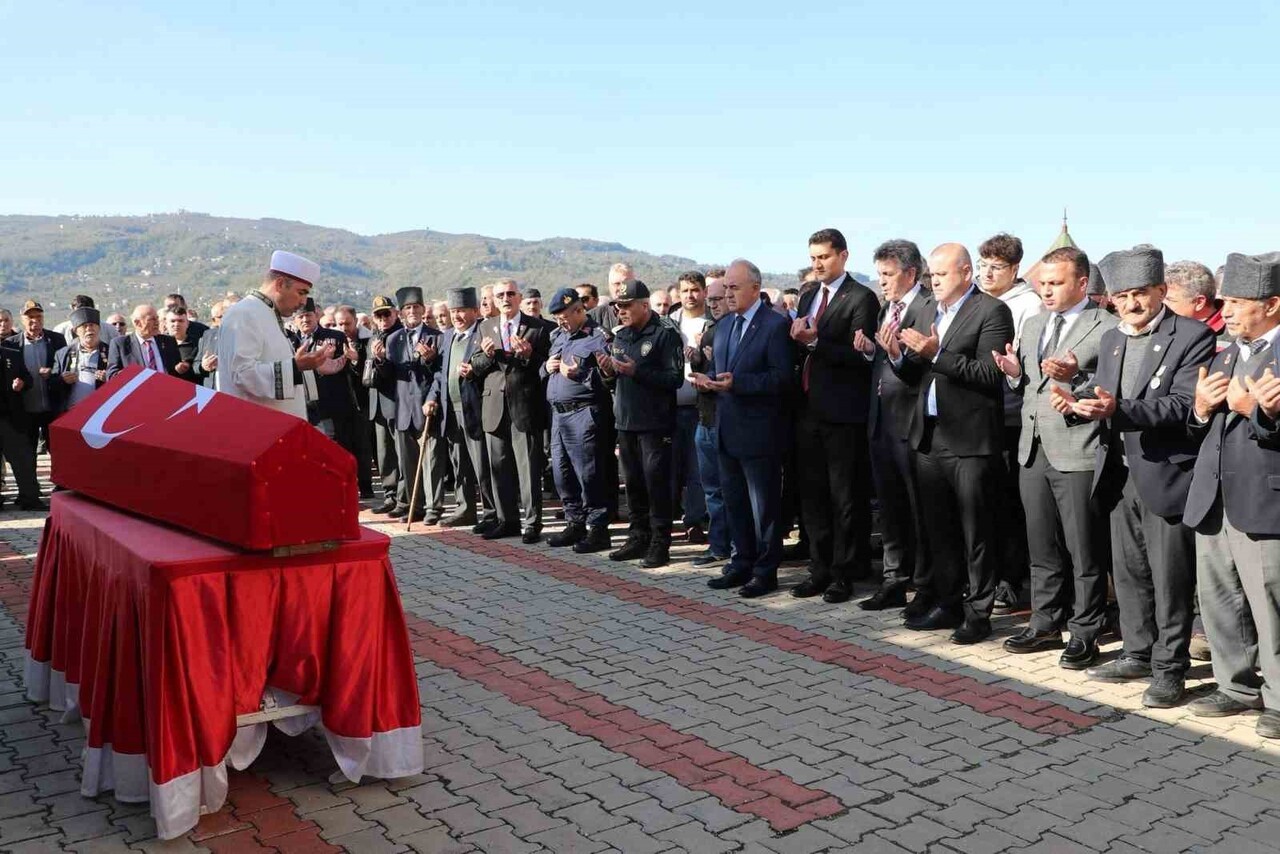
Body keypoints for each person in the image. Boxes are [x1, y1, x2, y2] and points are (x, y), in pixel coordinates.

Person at [1054, 245, 1215, 707]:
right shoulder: (1112, 339)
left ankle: (1170, 668)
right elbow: (1104, 394)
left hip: (1166, 474)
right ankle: (1137, 650)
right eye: (1122, 296)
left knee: (1170, 578)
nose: (1131, 304)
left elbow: (1183, 406)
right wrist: (1077, 405)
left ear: (1161, 291)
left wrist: (1116, 408)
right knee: (1128, 572)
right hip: (1118, 471)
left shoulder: (1192, 335)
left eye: (1140, 294)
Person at [994, 246, 1114, 671]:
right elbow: (1029, 384)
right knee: (1041, 545)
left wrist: (1076, 379)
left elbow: (1110, 385)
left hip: (1077, 449)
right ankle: (1044, 622)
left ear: (1082, 283)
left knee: (1084, 549)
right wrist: (1013, 374)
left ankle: (1086, 631)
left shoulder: (1108, 326)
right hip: (1034, 447)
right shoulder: (1035, 323)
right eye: (1042, 282)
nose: (1046, 290)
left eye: (1056, 282)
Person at [890, 243, 1015, 644]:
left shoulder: (992, 311)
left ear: (965, 272)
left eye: (941, 274)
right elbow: (915, 375)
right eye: (931, 274)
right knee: (938, 528)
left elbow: (987, 375)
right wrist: (898, 355)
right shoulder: (929, 311)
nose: (934, 280)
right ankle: (947, 602)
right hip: (929, 435)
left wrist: (936, 353)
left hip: (970, 440)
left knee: (975, 531)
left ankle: (979, 613)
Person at [1183, 251, 1280, 736]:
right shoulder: (1223, 352)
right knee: (1221, 599)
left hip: (1264, 499)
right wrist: (1200, 409)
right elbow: (1199, 425)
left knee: (1270, 603)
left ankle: (1279, 699)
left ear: (1272, 304)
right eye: (1226, 300)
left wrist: (1257, 413)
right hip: (1214, 498)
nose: (1230, 311)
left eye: (1239, 302)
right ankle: (1236, 686)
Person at [789, 228, 881, 604]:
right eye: (812, 258)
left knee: (844, 497)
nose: (817, 265)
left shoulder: (861, 298)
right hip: (808, 409)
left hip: (843, 413)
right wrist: (797, 341)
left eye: (823, 257)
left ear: (843, 256)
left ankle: (844, 572)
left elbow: (860, 358)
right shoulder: (809, 294)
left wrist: (814, 342)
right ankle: (819, 567)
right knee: (812, 496)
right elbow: (800, 347)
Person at [696, 260, 792, 597]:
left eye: (734, 287)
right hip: (726, 430)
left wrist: (739, 383)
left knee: (762, 508)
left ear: (755, 287)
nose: (728, 293)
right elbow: (719, 371)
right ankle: (741, 563)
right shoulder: (723, 327)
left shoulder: (773, 326)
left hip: (760, 433)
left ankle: (766, 571)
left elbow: (782, 379)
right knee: (735, 503)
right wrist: (707, 382)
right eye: (726, 287)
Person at [856, 240, 934, 612]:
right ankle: (893, 578)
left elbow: (921, 367)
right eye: (879, 274)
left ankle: (923, 583)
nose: (882, 282)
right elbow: (883, 364)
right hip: (880, 422)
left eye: (888, 275)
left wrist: (895, 354)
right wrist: (872, 352)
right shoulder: (887, 308)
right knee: (889, 508)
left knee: (917, 509)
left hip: (911, 422)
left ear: (911, 273)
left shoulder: (928, 307)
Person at [977, 233, 1043, 615]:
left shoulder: (1027, 305)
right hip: (978, 411)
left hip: (1010, 411)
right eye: (983, 264)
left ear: (1015, 269)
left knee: (1008, 503)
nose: (987, 273)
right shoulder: (979, 299)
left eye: (996, 267)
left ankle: (1010, 579)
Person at [598, 280, 684, 567]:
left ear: (644, 305)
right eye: (617, 306)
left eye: (625, 306)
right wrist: (608, 372)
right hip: (626, 421)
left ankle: (661, 543)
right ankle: (638, 537)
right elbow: (615, 380)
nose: (620, 311)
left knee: (656, 484)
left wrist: (638, 372)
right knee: (633, 484)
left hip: (655, 424)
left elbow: (675, 379)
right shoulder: (621, 336)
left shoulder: (665, 333)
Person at [467, 280, 551, 541]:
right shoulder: (485, 326)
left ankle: (532, 523)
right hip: (494, 405)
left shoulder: (539, 327)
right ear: (493, 299)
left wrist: (528, 355)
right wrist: (487, 355)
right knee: (498, 467)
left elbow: (546, 366)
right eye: (500, 295)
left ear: (519, 297)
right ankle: (507, 521)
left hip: (525, 406)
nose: (505, 298)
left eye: (510, 294)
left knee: (528, 469)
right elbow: (476, 365)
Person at [216, 250, 335, 421]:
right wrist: (295, 367)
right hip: (257, 430)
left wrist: (311, 364)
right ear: (279, 284)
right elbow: (242, 374)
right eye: (301, 292)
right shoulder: (244, 313)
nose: (303, 302)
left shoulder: (268, 312)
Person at [542, 288, 613, 552]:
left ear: (579, 310)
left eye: (564, 315)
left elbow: (610, 377)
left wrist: (581, 373)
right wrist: (546, 367)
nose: (560, 321)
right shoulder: (558, 336)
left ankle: (598, 529)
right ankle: (575, 523)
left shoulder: (598, 336)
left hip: (584, 412)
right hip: (559, 414)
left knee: (589, 474)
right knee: (562, 473)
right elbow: (546, 369)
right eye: (557, 316)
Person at [426, 288, 498, 531]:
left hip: (474, 408)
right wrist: (431, 397)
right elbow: (440, 374)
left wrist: (475, 371)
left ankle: (491, 513)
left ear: (475, 312)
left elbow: (492, 367)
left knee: (482, 465)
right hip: (450, 410)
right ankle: (465, 509)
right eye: (453, 311)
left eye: (462, 311)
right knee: (460, 465)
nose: (456, 316)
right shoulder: (446, 337)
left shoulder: (483, 332)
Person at [381, 286, 444, 523]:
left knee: (432, 461)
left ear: (423, 308)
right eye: (407, 308)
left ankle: (433, 508)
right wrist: (379, 362)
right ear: (400, 312)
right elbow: (388, 377)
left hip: (427, 406)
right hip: (402, 410)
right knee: (407, 463)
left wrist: (429, 363)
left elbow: (440, 373)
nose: (412, 311)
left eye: (416, 307)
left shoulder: (436, 336)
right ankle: (414, 507)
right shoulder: (393, 339)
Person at [687, 276, 732, 567]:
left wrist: (711, 377)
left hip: (725, 421)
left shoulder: (734, 328)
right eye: (711, 300)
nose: (714, 304)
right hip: (704, 418)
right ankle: (718, 546)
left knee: (730, 489)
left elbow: (730, 374)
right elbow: (705, 370)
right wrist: (695, 360)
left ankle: (737, 547)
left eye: (718, 299)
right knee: (712, 490)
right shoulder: (709, 329)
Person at [667, 271, 714, 544]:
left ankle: (694, 521)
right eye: (684, 290)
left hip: (700, 407)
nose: (690, 295)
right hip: (671, 407)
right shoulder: (669, 324)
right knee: (671, 469)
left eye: (695, 290)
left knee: (698, 471)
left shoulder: (714, 323)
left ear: (704, 292)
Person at [5, 301, 67, 462]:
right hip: (25, 410)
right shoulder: (10, 344)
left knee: (58, 449)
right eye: (30, 317)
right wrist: (14, 384)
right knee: (27, 452)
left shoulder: (57, 340)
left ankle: (60, 484)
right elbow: (5, 375)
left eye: (38, 316)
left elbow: (66, 369)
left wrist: (53, 374)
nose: (35, 320)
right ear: (22, 320)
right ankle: (31, 486)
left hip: (53, 408)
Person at [364, 296, 404, 513]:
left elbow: (397, 372)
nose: (383, 319)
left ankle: (403, 496)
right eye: (379, 315)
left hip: (396, 402)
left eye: (387, 313)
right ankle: (390, 495)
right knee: (384, 453)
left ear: (395, 314)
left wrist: (381, 360)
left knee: (400, 452)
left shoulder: (401, 336)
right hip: (377, 403)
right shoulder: (374, 338)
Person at [0, 334, 41, 511]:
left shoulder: (12, 352)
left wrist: (22, 382)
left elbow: (28, 378)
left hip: (11, 417)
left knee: (22, 459)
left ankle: (29, 498)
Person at [52, 307, 111, 413]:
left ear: (99, 328)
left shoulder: (110, 352)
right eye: (84, 326)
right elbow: (52, 384)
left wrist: (109, 378)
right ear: (76, 331)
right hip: (72, 411)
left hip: (102, 411)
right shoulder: (63, 354)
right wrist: (62, 379)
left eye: (92, 325)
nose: (89, 329)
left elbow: (122, 380)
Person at [1165, 260, 1230, 349]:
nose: (1163, 305)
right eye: (1161, 299)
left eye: (1170, 300)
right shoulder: (1163, 329)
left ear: (1199, 302)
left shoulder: (1233, 335)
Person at [107, 305, 184, 379]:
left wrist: (181, 369)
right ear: (137, 323)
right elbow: (111, 375)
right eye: (152, 319)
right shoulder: (120, 344)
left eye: (157, 319)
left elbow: (176, 371)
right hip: (139, 390)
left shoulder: (168, 341)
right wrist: (129, 374)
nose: (157, 322)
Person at [164, 306, 204, 384]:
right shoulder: (159, 345)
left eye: (180, 321)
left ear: (187, 323)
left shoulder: (199, 343)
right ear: (166, 324)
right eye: (173, 321)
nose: (176, 324)